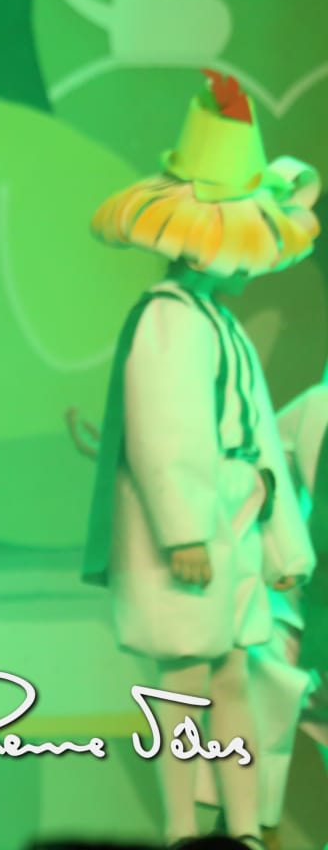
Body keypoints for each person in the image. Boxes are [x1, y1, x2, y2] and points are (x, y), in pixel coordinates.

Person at [81, 70, 319, 846]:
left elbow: (261, 443)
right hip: (196, 534)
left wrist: (283, 546)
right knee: (184, 687)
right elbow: (165, 433)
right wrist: (183, 529)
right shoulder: (167, 319)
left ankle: (242, 825)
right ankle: (185, 827)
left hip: (235, 521)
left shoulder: (220, 323)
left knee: (232, 682)